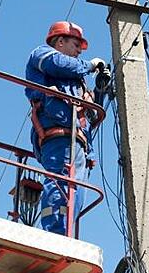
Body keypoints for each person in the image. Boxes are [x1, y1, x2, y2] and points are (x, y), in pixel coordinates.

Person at [24, 21, 107, 235]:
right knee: (61, 181)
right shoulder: (42, 54)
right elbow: (59, 65)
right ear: (60, 41)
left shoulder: (77, 80)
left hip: (79, 142)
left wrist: (100, 89)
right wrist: (90, 65)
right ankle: (54, 234)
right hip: (57, 135)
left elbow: (90, 112)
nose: (79, 50)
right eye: (76, 44)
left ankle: (66, 233)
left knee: (76, 191)